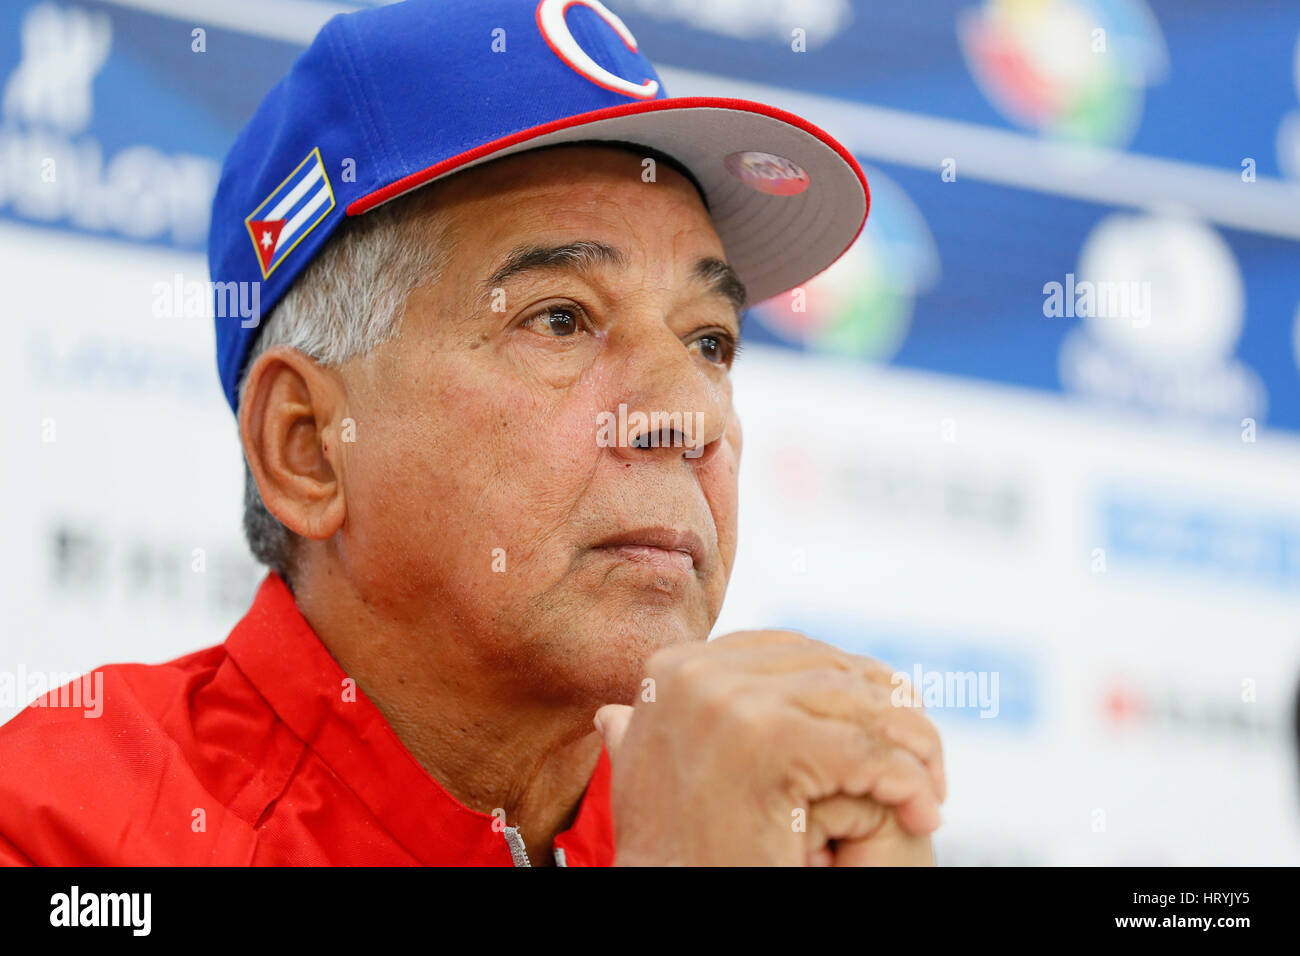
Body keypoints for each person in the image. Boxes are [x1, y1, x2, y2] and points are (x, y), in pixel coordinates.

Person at [0, 0, 944, 866]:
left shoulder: (771, 829)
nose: (690, 419)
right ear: (308, 445)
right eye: (561, 318)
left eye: (709, 340)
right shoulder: (63, 826)